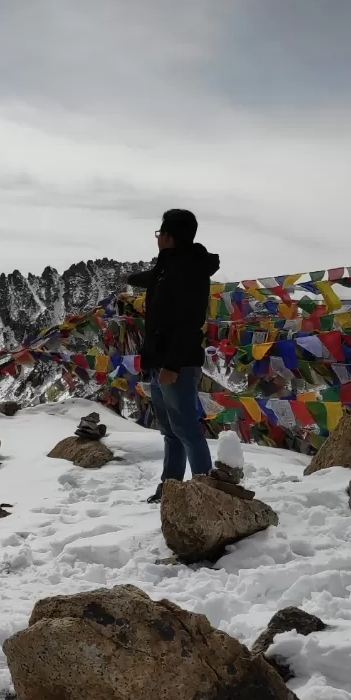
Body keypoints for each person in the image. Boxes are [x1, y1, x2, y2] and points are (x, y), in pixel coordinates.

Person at [129, 209, 220, 502]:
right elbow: (153, 278)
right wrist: (128, 277)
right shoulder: (168, 266)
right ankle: (171, 486)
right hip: (158, 362)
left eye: (160, 233)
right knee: (169, 430)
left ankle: (205, 490)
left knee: (186, 429)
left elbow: (188, 322)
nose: (157, 239)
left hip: (175, 363)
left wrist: (172, 365)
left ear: (169, 236)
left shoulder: (189, 270)